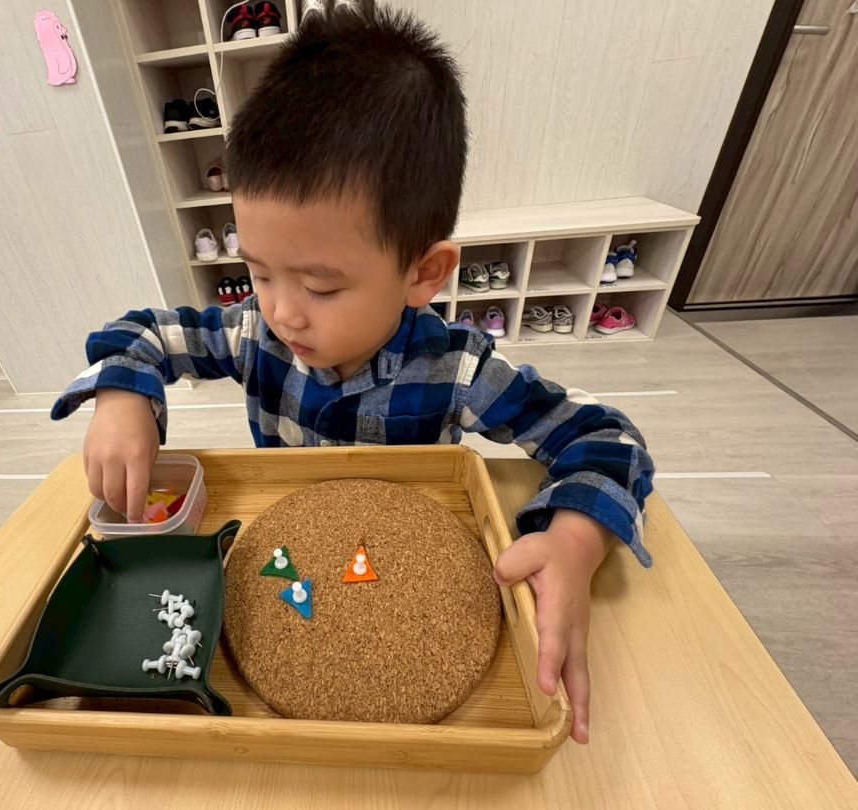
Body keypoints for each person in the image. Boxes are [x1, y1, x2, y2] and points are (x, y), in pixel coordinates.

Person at [51, 0, 654, 745]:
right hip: (290, 575)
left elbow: (607, 441)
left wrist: (575, 542)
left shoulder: (457, 369)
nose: (282, 312)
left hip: (406, 588)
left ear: (423, 273)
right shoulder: (253, 332)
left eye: (321, 286)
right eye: (259, 272)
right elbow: (141, 334)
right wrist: (122, 396)